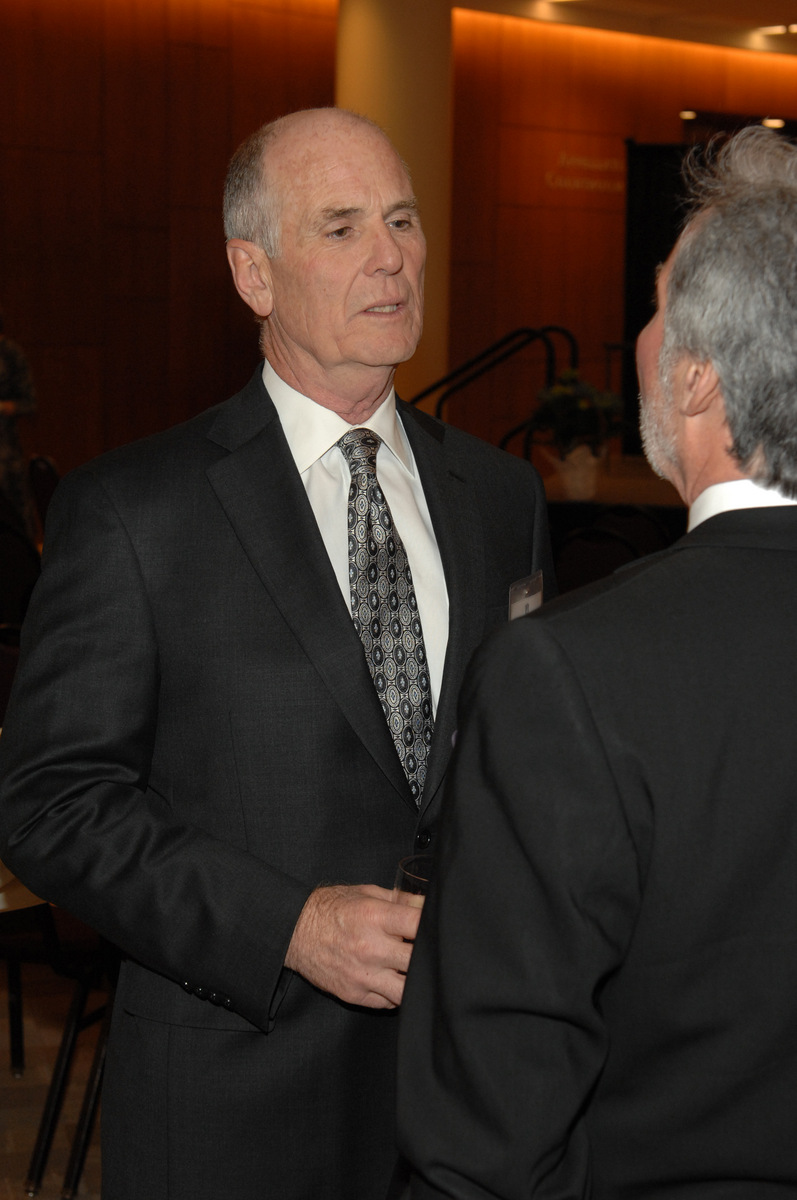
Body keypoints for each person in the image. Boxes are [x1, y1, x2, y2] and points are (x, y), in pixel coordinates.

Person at [0, 108, 553, 1200]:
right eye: (341, 228)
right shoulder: (136, 510)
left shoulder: (500, 497)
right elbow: (53, 803)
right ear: (252, 273)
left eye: (402, 220)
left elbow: (523, 765)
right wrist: (287, 927)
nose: (390, 255)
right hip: (235, 1103)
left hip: (468, 1099)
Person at [397, 124, 797, 1198]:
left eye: (657, 304)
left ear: (698, 380)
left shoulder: (567, 678)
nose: (639, 337)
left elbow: (488, 1128)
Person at [0, 311, 38, 542]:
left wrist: (3, 407)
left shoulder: (11, 353)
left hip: (5, 451)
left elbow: (29, 403)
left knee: (14, 511)